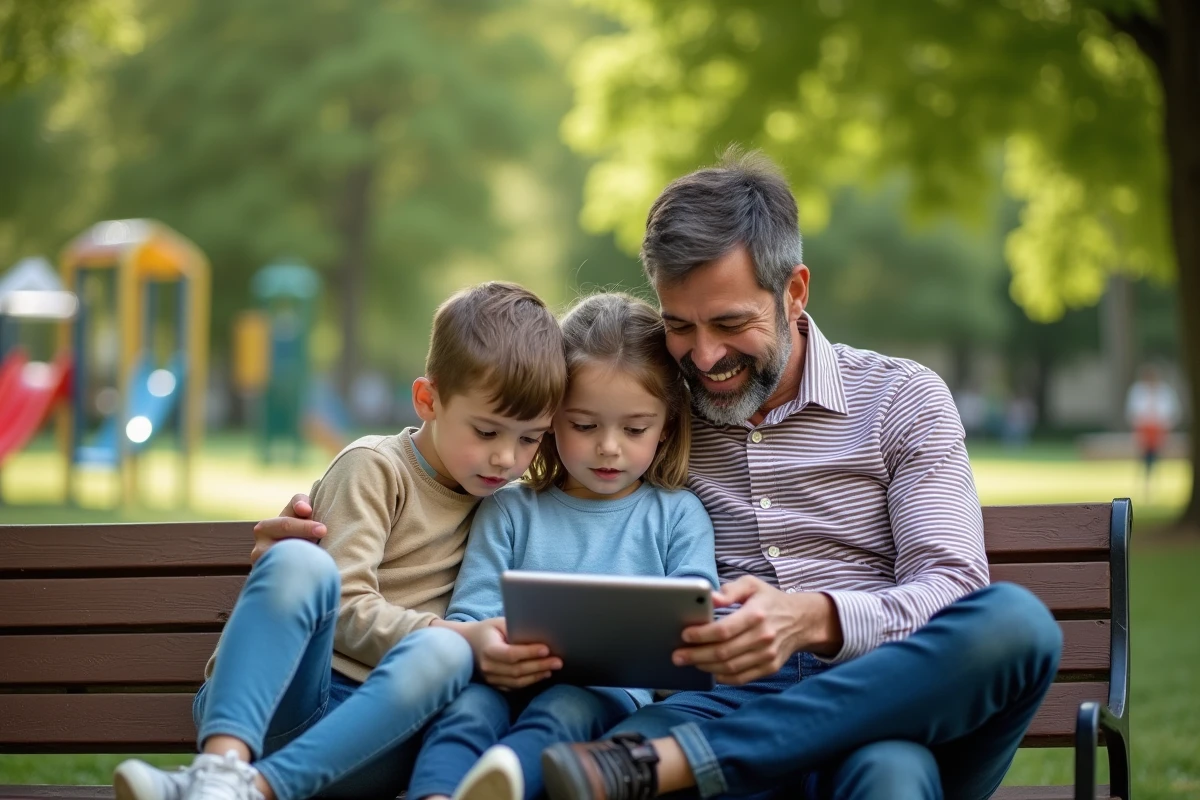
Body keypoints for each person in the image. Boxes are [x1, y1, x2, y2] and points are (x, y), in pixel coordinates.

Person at [257, 149, 1063, 800]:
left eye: (731, 324)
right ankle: (670, 759)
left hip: (882, 701)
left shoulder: (902, 400)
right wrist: (320, 527)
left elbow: (953, 590)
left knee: (1015, 628)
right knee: (887, 779)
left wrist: (811, 618)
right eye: (680, 326)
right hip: (711, 707)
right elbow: (481, 453)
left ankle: (677, 765)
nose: (705, 357)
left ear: (794, 291)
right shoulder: (646, 417)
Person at [113, 282, 566, 800]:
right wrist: (463, 638)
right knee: (300, 565)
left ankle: (240, 793)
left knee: (444, 655)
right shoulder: (375, 468)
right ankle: (220, 770)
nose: (507, 459)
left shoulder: (508, 505)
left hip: (376, 738)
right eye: (487, 432)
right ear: (428, 400)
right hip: (290, 701)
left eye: (530, 438)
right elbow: (345, 606)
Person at [407, 292, 718, 800]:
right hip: (502, 682)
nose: (608, 446)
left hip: (607, 695)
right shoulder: (511, 509)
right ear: (550, 421)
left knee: (564, 709)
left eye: (634, 428)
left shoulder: (676, 515)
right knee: (466, 712)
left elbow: (691, 617)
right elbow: (469, 614)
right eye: (584, 425)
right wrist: (491, 652)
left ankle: (505, 779)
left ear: (664, 430)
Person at [1125, 364, 1181, 498]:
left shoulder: (1165, 392)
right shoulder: (1138, 391)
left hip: (1159, 429)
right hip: (1144, 429)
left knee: (1156, 457)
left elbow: (1173, 412)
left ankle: (1155, 484)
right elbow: (1132, 412)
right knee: (1145, 457)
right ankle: (1145, 485)